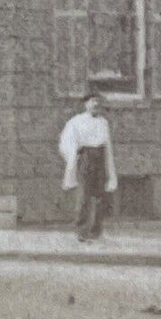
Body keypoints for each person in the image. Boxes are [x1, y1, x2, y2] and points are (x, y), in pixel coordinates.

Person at [58, 92, 118, 241]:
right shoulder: (76, 121)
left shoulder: (104, 122)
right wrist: (75, 155)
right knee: (84, 196)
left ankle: (96, 231)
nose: (96, 104)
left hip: (101, 158)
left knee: (100, 196)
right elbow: (66, 142)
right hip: (86, 159)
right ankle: (81, 231)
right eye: (92, 101)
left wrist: (108, 163)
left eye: (98, 102)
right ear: (86, 104)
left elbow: (107, 145)